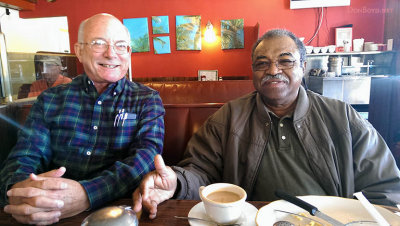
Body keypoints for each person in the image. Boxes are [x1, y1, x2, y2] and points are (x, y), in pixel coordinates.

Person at [133, 29, 400, 219]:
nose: (273, 70)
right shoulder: (227, 118)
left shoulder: (342, 117)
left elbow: (386, 189)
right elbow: (200, 171)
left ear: (303, 67)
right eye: (262, 63)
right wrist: (177, 182)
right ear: (253, 72)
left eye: (285, 61)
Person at [0, 13, 164, 225]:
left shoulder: (147, 99)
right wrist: (19, 191)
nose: (111, 53)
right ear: (79, 51)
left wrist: (87, 194)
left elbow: (145, 158)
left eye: (121, 45)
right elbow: (24, 155)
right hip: (49, 211)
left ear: (129, 52)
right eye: (98, 43)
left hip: (118, 212)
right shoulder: (50, 99)